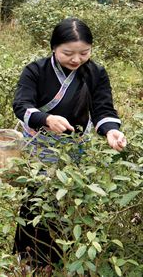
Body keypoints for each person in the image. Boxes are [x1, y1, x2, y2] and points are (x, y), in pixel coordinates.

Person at [11, 17, 127, 268]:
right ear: (53, 48)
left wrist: (110, 131)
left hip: (76, 148)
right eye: (68, 53)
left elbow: (103, 108)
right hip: (40, 145)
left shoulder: (96, 73)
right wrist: (46, 118)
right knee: (37, 200)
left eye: (84, 53)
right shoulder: (36, 71)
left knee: (69, 200)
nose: (76, 60)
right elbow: (21, 106)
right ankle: (30, 255)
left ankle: (64, 254)